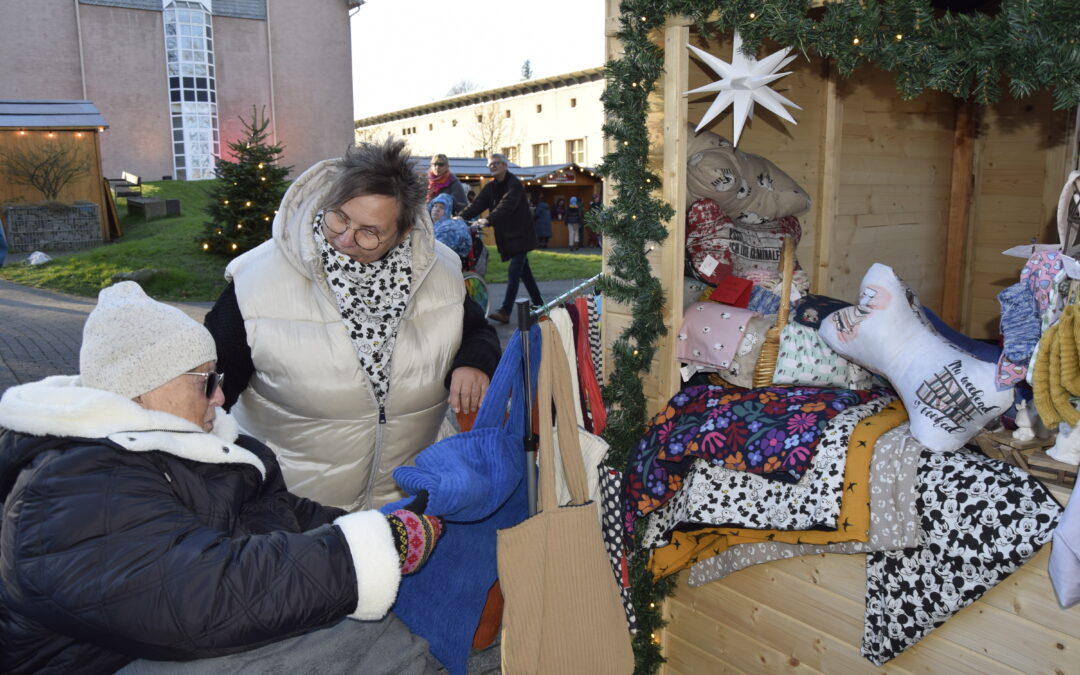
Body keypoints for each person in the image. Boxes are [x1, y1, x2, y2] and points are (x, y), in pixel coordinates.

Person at [0, 281, 446, 674]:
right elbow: (197, 599)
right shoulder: (75, 483)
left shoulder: (180, 447)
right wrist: (356, 555)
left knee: (363, 633)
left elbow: (280, 516)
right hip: (99, 663)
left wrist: (377, 527)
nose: (219, 396)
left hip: (153, 642)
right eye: (205, 381)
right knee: (359, 644)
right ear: (142, 390)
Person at [204, 138, 500, 511]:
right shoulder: (257, 283)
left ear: (404, 233)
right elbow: (204, 396)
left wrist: (474, 362)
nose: (345, 239)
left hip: (403, 508)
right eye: (340, 217)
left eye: (369, 232)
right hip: (290, 512)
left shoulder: (439, 271)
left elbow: (476, 330)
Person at [459, 153, 544, 324]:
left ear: (505, 165)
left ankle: (505, 310)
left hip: (521, 237)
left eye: (497, 163)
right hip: (509, 238)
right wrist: (460, 217)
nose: (493, 166)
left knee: (514, 272)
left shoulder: (514, 185)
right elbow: (478, 204)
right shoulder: (490, 187)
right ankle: (540, 306)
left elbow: (506, 205)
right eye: (491, 164)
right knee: (525, 274)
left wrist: (488, 220)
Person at [428, 193, 471, 259]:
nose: (437, 209)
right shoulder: (435, 225)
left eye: (442, 207)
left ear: (448, 211)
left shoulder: (448, 228)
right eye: (435, 206)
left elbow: (435, 252)